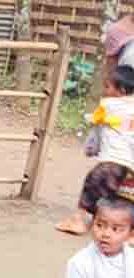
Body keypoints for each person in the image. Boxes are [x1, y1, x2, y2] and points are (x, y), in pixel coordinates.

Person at [57, 65, 134, 235]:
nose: (104, 90)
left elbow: (95, 125)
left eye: (107, 86)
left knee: (92, 186)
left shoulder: (107, 105)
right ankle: (123, 231)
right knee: (120, 198)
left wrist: (91, 148)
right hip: (129, 165)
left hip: (111, 162)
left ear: (120, 90)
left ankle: (79, 221)